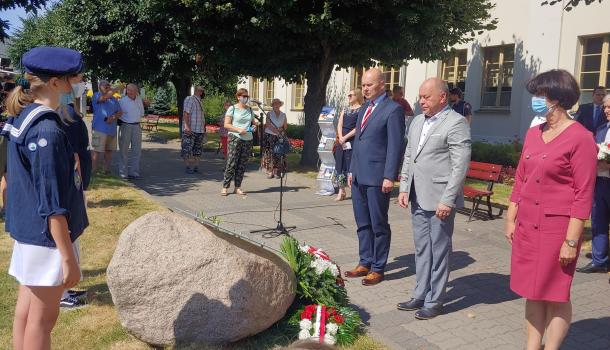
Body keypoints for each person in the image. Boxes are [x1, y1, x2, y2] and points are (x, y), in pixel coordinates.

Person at [2, 46, 88, 350]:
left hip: (31, 233)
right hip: (47, 239)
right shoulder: (47, 129)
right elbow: (51, 203)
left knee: (26, 315)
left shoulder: (25, 116)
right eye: (72, 79)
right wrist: (67, 257)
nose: (76, 84)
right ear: (54, 83)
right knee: (42, 321)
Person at [506, 70, 597, 350]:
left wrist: (572, 241)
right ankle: (532, 346)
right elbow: (521, 177)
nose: (535, 100)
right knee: (532, 292)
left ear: (556, 99)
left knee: (555, 294)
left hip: (558, 231)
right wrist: (510, 217)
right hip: (527, 227)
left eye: (539, 95)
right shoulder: (535, 133)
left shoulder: (581, 138)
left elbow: (583, 195)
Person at [396, 78, 471, 320]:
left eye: (426, 97)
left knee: (439, 250)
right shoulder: (417, 121)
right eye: (420, 97)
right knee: (422, 248)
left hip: (440, 199)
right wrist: (404, 186)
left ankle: (435, 299)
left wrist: (447, 200)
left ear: (442, 97)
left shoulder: (456, 123)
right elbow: (409, 155)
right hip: (417, 195)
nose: (421, 101)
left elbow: (460, 166)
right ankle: (420, 293)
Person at [344, 68, 405, 286]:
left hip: (378, 177)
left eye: (369, 85)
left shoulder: (393, 110)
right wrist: (351, 170)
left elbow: (395, 146)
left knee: (378, 223)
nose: (365, 89)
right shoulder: (364, 109)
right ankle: (365, 261)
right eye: (363, 85)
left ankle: (378, 267)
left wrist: (390, 176)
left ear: (382, 84)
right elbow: (358, 142)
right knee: (362, 223)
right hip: (359, 175)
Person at [577, 93, 610, 274]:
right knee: (598, 222)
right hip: (600, 183)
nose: (606, 110)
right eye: (605, 107)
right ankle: (599, 261)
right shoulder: (602, 128)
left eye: (609, 107)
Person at [221, 88, 259, 196]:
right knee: (232, 163)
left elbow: (253, 123)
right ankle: (225, 187)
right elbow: (226, 124)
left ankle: (237, 187)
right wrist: (238, 129)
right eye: (243, 96)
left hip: (247, 139)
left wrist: (254, 126)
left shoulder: (250, 110)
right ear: (238, 97)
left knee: (242, 164)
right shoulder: (232, 108)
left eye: (247, 96)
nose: (245, 98)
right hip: (235, 137)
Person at [334, 88, 363, 201]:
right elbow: (340, 124)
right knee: (340, 165)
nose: (349, 97)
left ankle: (354, 190)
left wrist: (346, 137)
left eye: (351, 95)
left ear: (357, 96)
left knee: (351, 165)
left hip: (352, 140)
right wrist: (341, 137)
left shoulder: (361, 110)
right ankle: (341, 190)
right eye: (348, 95)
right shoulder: (345, 109)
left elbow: (358, 127)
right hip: (341, 140)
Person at [91, 80, 122, 175]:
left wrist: (113, 117)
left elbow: (120, 112)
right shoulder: (96, 95)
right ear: (100, 86)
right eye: (105, 85)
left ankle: (107, 170)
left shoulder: (114, 99)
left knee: (108, 151)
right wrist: (115, 89)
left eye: (108, 85)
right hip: (99, 128)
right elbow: (104, 98)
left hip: (111, 130)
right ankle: (94, 171)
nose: (107, 86)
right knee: (97, 151)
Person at [118, 83, 145, 179]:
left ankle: (134, 172)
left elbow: (142, 113)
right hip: (126, 126)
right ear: (127, 91)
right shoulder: (122, 101)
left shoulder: (139, 100)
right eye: (129, 90)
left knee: (136, 151)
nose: (132, 92)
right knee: (124, 150)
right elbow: (118, 115)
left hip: (137, 126)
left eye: (134, 90)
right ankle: (123, 173)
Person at [182, 86, 206, 174]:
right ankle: (187, 166)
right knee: (187, 149)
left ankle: (196, 166)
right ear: (199, 91)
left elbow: (201, 117)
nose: (203, 93)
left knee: (198, 150)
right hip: (191, 129)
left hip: (199, 130)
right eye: (202, 91)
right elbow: (186, 113)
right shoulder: (190, 99)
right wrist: (187, 126)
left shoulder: (200, 101)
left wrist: (204, 130)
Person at [262, 98, 288, 178]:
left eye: (278, 103)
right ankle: (270, 171)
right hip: (269, 136)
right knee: (270, 153)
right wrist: (276, 131)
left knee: (278, 153)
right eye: (275, 104)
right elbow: (268, 125)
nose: (276, 105)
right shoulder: (269, 114)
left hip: (279, 137)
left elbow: (285, 126)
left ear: (280, 105)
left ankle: (276, 171)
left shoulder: (283, 115)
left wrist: (281, 129)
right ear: (272, 106)